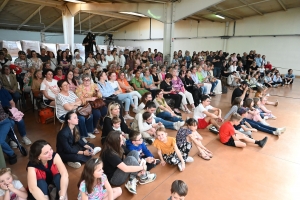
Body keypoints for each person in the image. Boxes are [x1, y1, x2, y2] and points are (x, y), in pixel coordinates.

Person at [100, 131, 156, 195]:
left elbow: (131, 153)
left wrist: (144, 160)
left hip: (119, 169)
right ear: (115, 142)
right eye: (121, 140)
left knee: (134, 152)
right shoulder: (109, 153)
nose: (123, 141)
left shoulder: (117, 146)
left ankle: (132, 179)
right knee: (130, 159)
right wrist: (142, 167)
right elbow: (125, 169)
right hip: (114, 179)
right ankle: (143, 177)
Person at [0, 82, 32, 147]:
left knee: (20, 121)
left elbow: (12, 102)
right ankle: (12, 139)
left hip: (9, 111)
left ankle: (24, 137)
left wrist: (13, 112)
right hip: (2, 116)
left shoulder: (4, 91)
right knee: (11, 123)